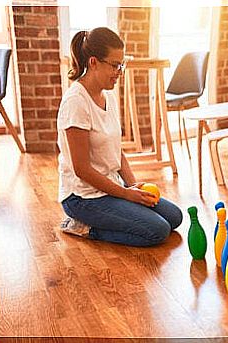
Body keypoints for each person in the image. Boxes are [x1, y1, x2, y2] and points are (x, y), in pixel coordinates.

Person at [57, 27, 182, 246]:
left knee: (174, 217)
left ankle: (117, 210)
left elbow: (117, 150)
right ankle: (83, 227)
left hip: (110, 186)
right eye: (115, 65)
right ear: (93, 62)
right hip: (82, 197)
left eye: (121, 65)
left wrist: (134, 186)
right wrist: (126, 194)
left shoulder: (109, 97)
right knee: (158, 231)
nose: (119, 72)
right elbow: (82, 169)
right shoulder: (75, 102)